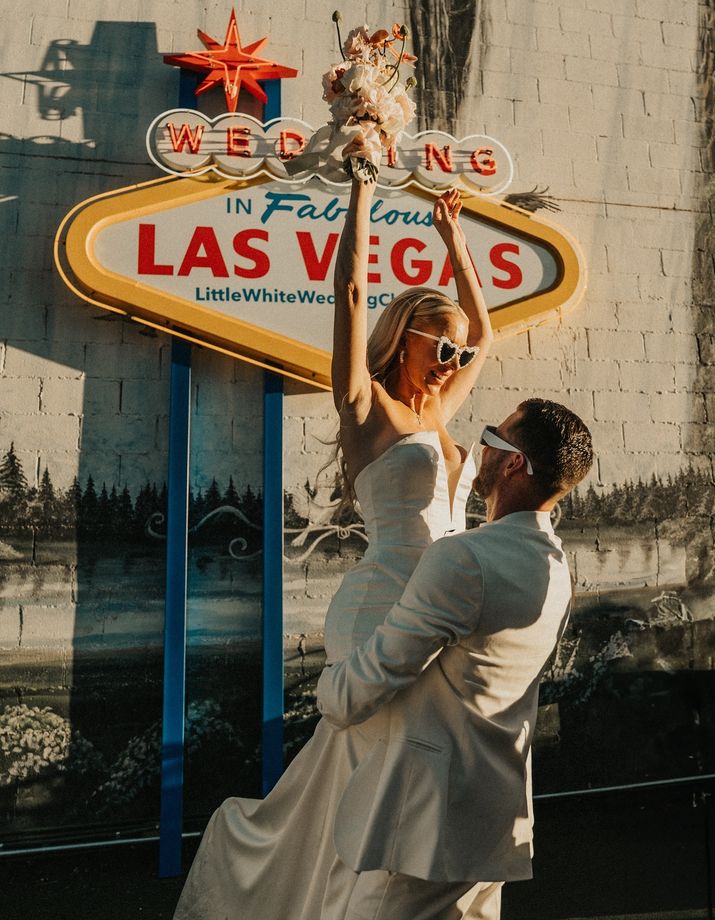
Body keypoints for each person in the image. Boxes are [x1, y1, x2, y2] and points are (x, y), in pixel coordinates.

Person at [173, 139, 493, 920]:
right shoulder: (367, 411)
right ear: (405, 337)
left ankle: (370, 893)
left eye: (455, 348)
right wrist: (362, 194)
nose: (453, 358)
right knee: (377, 767)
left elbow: (486, 333)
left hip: (442, 608)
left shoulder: (438, 414)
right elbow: (350, 292)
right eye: (439, 343)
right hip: (383, 604)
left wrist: (455, 244)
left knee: (401, 767)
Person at [315, 398, 594, 919]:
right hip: (494, 822)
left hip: (427, 832)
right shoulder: (556, 569)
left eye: (494, 435)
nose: (479, 446)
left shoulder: (464, 558)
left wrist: (329, 687)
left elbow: (381, 670)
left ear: (513, 463)